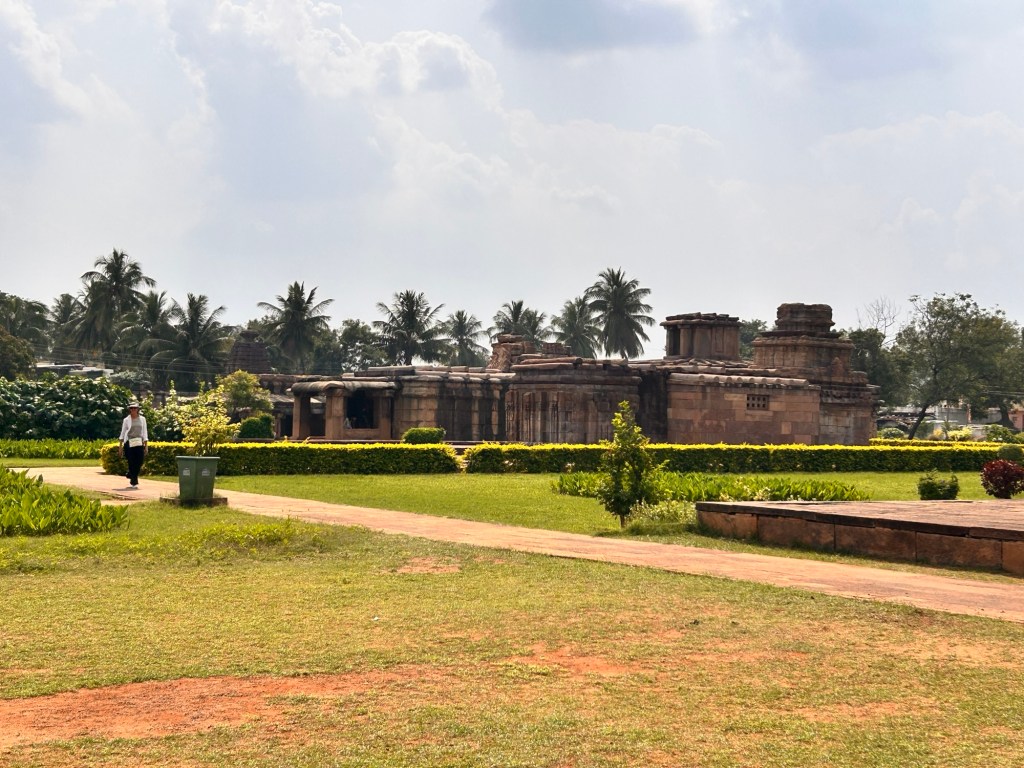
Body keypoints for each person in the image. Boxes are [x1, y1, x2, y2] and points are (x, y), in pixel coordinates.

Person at [118, 401, 149, 488]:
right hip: (129, 443)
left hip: (139, 442)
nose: (133, 410)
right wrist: (120, 446)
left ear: (138, 409)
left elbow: (145, 432)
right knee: (131, 462)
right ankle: (134, 481)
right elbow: (123, 432)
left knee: (139, 461)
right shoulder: (126, 420)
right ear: (129, 410)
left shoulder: (142, 419)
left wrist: (146, 445)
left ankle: (130, 474)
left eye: (135, 408)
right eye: (131, 408)